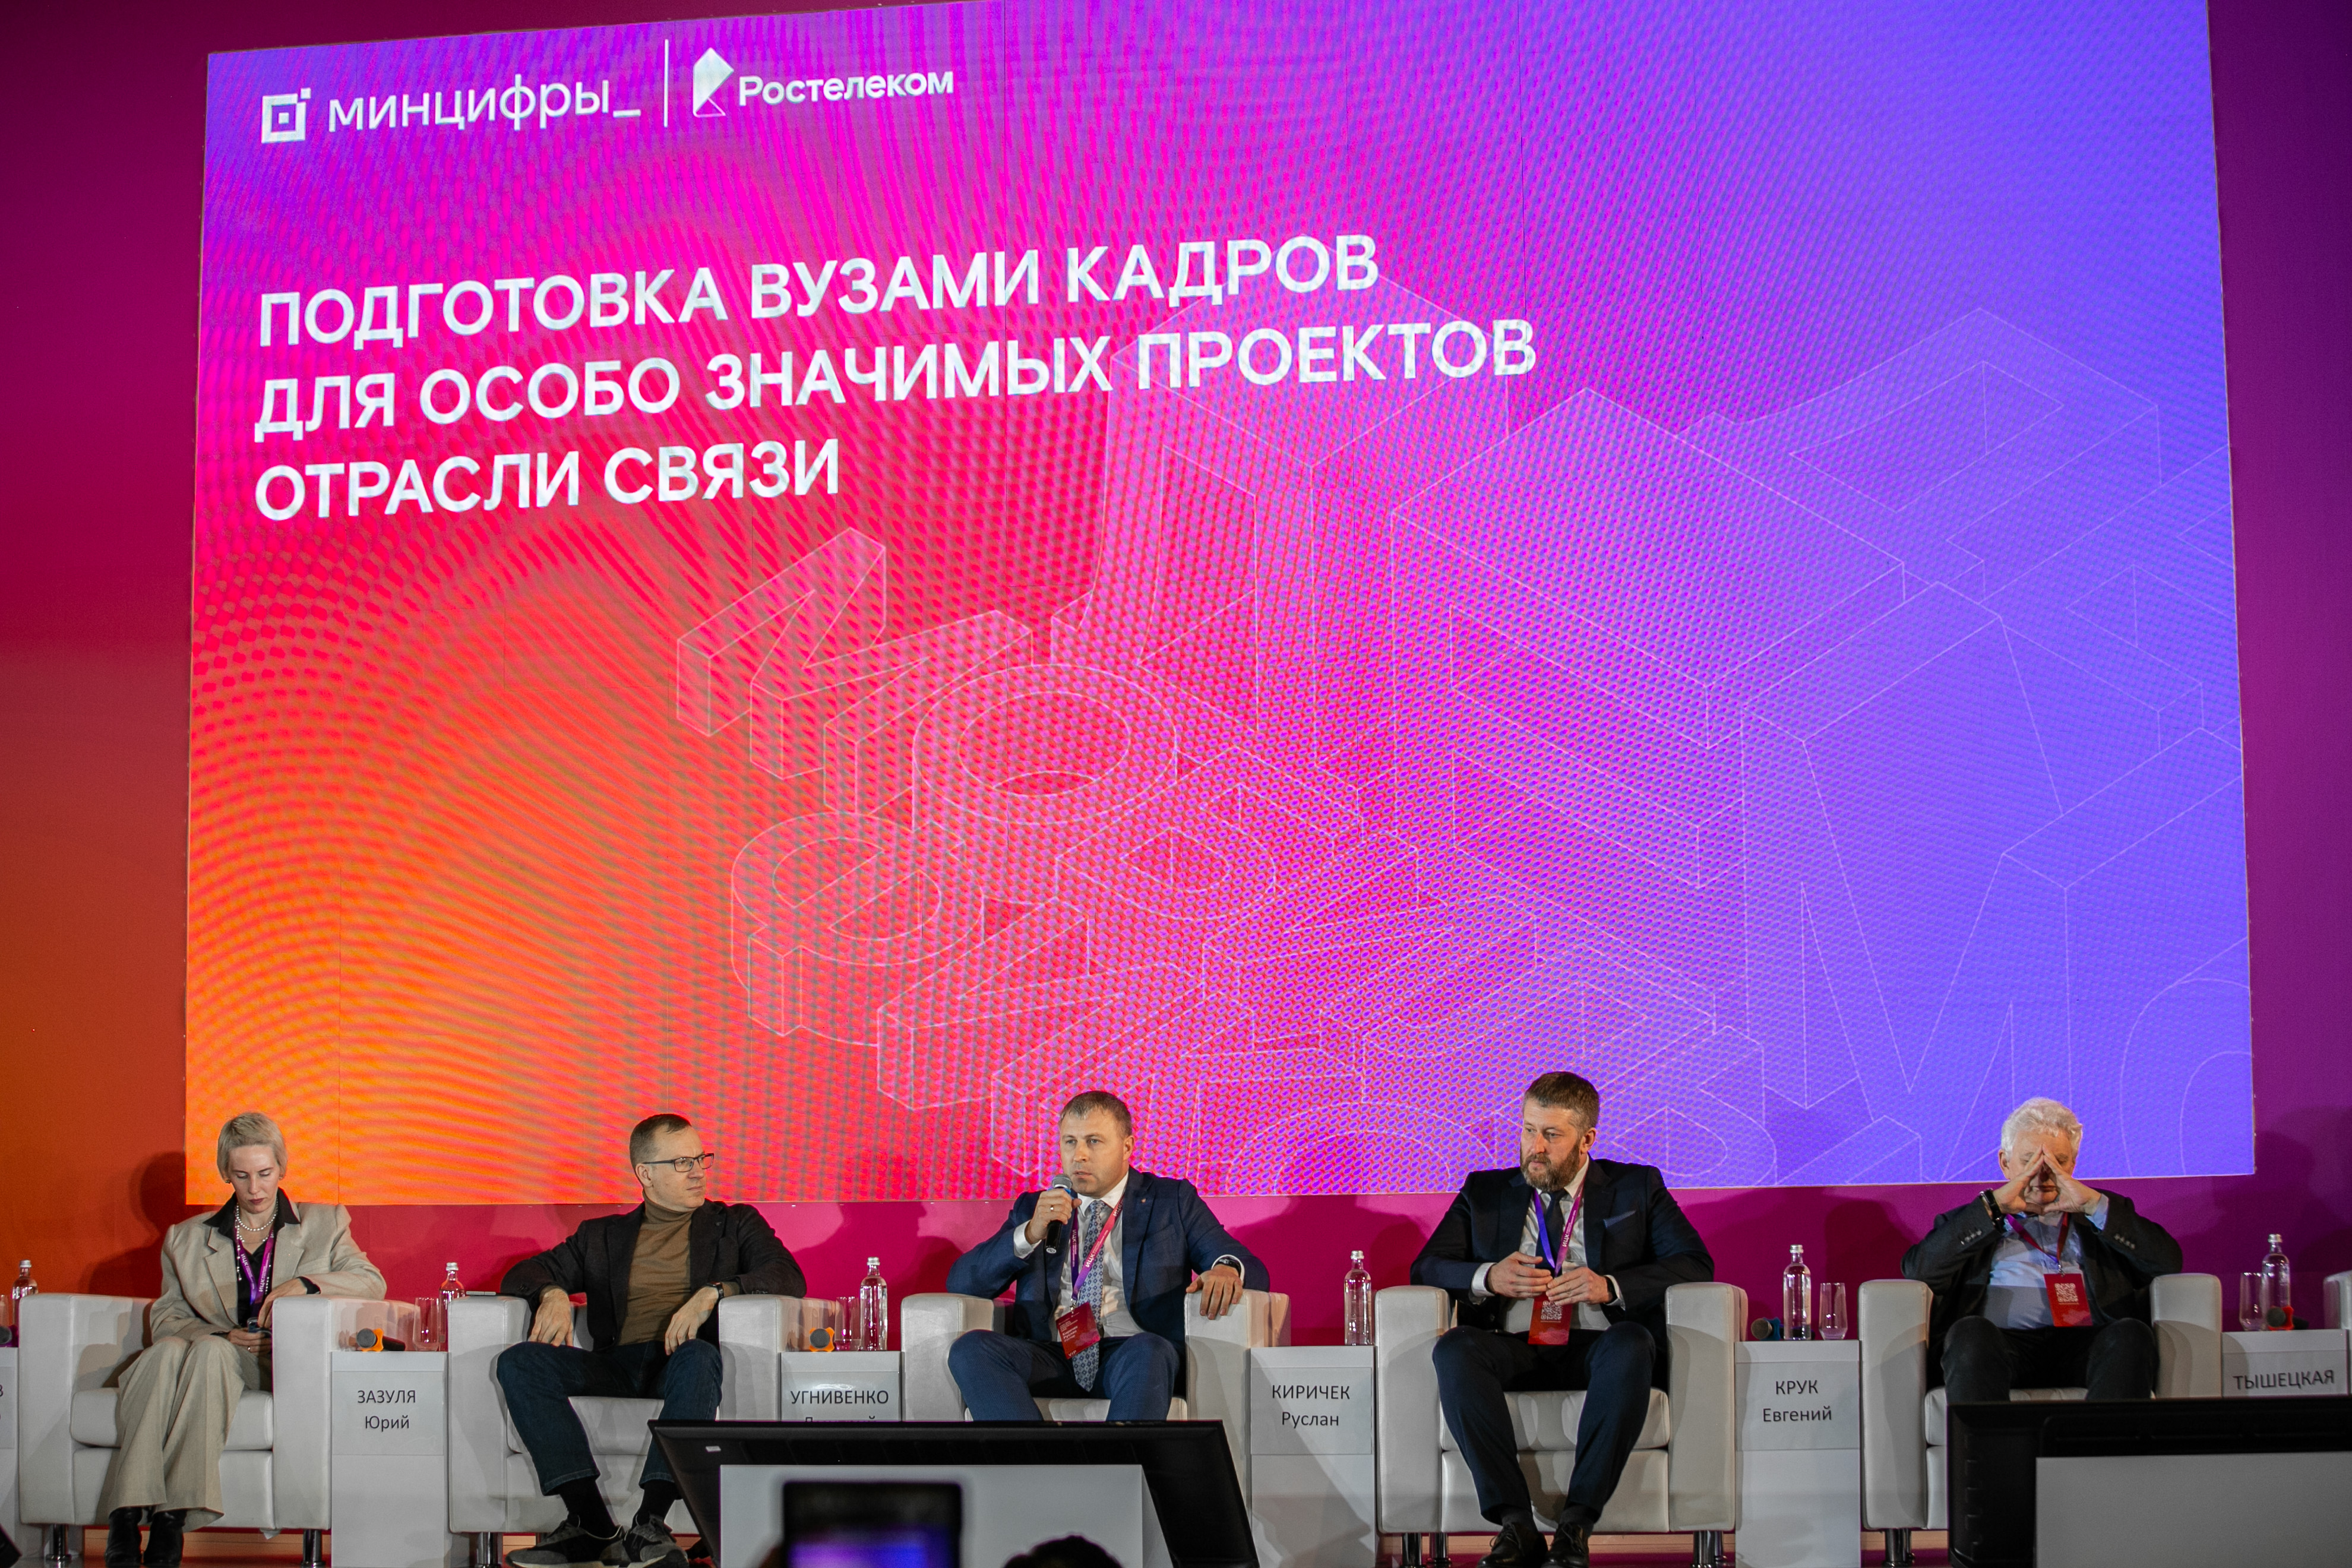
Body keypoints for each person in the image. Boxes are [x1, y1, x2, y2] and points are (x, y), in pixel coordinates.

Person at [1412, 1073, 1714, 1568]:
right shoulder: (1485, 1191)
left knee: (1632, 1342)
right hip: (1513, 1346)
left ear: (1586, 1139)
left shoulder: (1636, 1187)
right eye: (1529, 1130)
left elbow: (1694, 1262)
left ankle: (1577, 1523)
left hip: (1598, 1347)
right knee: (1455, 1348)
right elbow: (1427, 1267)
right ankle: (1515, 1524)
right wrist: (1489, 1276)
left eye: (1552, 1135)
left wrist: (1609, 1286)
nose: (1536, 1147)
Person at [495, 1114, 804, 1568]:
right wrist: (553, 1293)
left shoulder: (733, 1224)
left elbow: (787, 1275)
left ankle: (650, 1523)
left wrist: (714, 1293)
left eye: (701, 1158)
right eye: (682, 1162)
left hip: (682, 1361)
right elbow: (522, 1274)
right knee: (520, 1362)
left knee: (699, 1356)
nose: (698, 1171)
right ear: (646, 1174)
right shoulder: (602, 1236)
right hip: (617, 1363)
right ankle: (591, 1523)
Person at [98, 1112, 384, 1568]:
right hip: (209, 1355)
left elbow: (371, 1282)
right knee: (165, 1353)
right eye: (242, 1176)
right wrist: (218, 1333)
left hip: (276, 1363)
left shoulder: (324, 1223)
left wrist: (307, 1284)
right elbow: (169, 1317)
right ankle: (129, 1517)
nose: (255, 1189)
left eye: (265, 1174)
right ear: (225, 1174)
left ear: (282, 1167)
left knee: (203, 1353)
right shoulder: (185, 1239)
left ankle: (165, 1517)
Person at [944, 1090, 1267, 1422]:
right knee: (971, 1349)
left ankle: (1117, 1457)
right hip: (1053, 1353)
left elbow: (1244, 1264)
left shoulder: (1171, 1200)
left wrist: (1226, 1270)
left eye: (1094, 1142)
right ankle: (1034, 1455)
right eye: (1070, 1142)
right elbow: (963, 1282)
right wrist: (1029, 1233)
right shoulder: (1035, 1207)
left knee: (1150, 1350)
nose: (1079, 1155)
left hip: (1130, 1354)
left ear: (1127, 1147)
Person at [1903, 1096, 2180, 1406]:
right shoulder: (1970, 1221)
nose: (2042, 1175)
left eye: (2057, 1162)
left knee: (2130, 1334)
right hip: (2001, 1347)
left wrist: (2093, 1205)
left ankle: (2102, 1440)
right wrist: (1993, 1209)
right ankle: (1989, 1440)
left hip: (2086, 1346)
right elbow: (1919, 1270)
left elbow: (2168, 1263)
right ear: (2005, 1163)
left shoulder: (2103, 1214)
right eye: (2029, 1162)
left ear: (2073, 1164)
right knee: (1970, 1333)